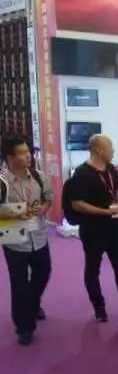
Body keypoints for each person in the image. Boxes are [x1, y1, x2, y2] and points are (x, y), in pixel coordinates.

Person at [69, 134, 118, 321]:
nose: (113, 151)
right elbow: (77, 204)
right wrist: (104, 212)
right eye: (110, 148)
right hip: (92, 229)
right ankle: (99, 306)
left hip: (114, 227)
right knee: (93, 269)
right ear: (99, 150)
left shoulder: (111, 169)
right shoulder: (81, 173)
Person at [0, 135, 53, 345]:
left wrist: (43, 208)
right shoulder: (2, 181)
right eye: (22, 153)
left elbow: (48, 199)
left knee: (44, 273)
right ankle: (24, 327)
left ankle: (32, 302)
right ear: (10, 157)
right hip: (13, 238)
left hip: (38, 235)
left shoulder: (39, 176)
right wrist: (16, 212)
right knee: (19, 284)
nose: (28, 155)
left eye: (28, 151)